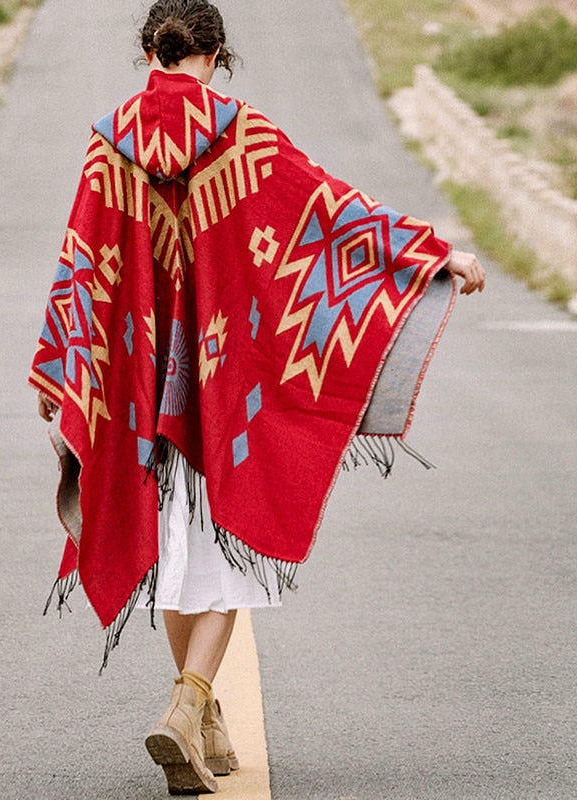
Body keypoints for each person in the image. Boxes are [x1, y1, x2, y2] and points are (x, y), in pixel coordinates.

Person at [30, 1, 485, 794]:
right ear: (216, 56)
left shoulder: (108, 149)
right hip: (225, 378)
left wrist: (62, 365)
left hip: (139, 384)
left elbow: (81, 260)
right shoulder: (244, 134)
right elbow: (332, 217)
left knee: (175, 548)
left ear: (149, 53)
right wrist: (432, 252)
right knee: (233, 535)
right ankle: (186, 704)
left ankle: (202, 726)